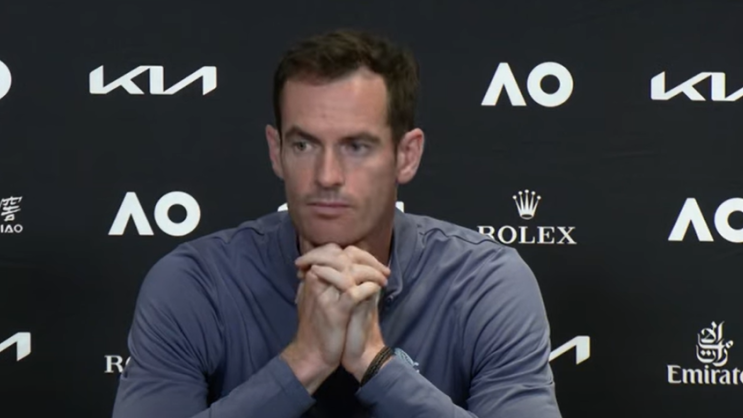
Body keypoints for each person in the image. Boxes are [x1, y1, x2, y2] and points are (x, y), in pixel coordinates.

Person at [111, 28, 562, 418]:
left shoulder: (485, 282)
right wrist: (303, 362)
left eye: (356, 146)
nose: (327, 176)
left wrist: (375, 363)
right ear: (276, 151)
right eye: (304, 145)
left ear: (407, 155)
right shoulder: (195, 282)